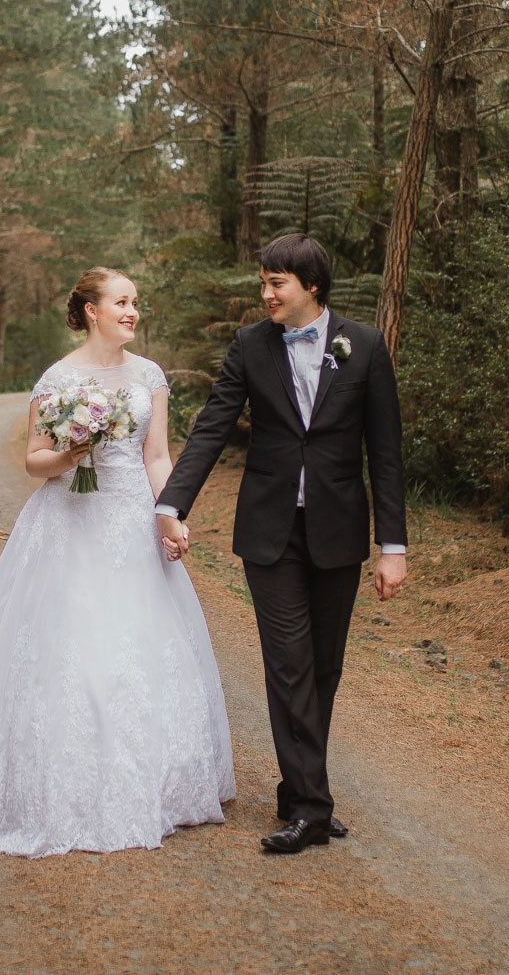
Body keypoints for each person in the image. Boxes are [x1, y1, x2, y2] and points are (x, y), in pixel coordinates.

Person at [0, 268, 234, 857]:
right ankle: (52, 783)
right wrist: (71, 451)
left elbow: (156, 455)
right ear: (90, 311)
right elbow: (33, 460)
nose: (133, 311)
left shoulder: (149, 376)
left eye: (136, 302)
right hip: (68, 521)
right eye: (121, 302)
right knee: (65, 643)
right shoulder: (59, 378)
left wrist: (170, 513)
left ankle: (152, 781)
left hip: (130, 518)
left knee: (139, 642)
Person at [154, 234, 407, 854]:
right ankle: (314, 809)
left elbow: (386, 452)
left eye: (277, 284)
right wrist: (170, 502)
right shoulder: (250, 345)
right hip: (270, 532)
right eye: (263, 283)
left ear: (311, 286)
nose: (265, 295)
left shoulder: (365, 346)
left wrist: (392, 545)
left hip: (338, 531)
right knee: (289, 663)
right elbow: (213, 424)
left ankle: (299, 792)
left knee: (324, 667)